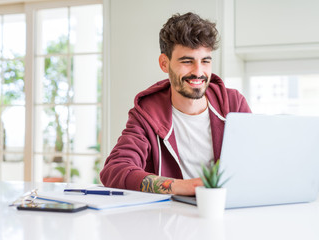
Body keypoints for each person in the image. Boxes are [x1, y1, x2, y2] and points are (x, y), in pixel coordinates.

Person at [100, 12, 251, 196]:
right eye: (187, 61)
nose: (198, 72)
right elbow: (115, 170)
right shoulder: (146, 113)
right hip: (169, 219)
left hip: (226, 213)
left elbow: (255, 162)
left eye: (205, 61)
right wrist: (185, 187)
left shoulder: (233, 104)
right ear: (164, 63)